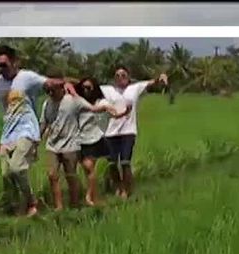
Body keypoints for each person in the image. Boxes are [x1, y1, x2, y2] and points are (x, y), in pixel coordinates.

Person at [0, 45, 80, 217]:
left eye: (4, 65)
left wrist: (66, 82)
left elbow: (48, 82)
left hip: (27, 130)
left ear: (14, 62)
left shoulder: (27, 77)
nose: (1, 69)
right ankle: (15, 209)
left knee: (17, 168)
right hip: (7, 135)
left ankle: (32, 202)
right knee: (6, 175)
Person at [40, 80, 126, 210]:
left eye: (53, 90)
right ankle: (59, 207)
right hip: (52, 145)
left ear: (61, 88)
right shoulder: (47, 104)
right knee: (52, 175)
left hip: (70, 144)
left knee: (71, 176)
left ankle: (75, 204)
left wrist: (110, 109)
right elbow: (43, 123)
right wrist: (37, 139)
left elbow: (94, 109)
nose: (50, 93)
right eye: (48, 91)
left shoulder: (74, 101)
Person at [100, 66, 168, 199]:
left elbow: (151, 83)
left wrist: (160, 78)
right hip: (110, 132)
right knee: (112, 163)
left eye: (123, 75)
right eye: (117, 75)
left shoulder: (134, 88)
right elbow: (86, 85)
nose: (120, 78)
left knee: (125, 162)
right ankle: (118, 186)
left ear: (128, 77)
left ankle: (126, 190)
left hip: (128, 131)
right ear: (114, 78)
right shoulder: (107, 90)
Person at [76, 76, 131, 206]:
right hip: (81, 140)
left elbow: (114, 113)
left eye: (88, 88)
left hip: (95, 139)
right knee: (88, 170)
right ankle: (94, 197)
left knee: (91, 168)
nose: (86, 90)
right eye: (83, 88)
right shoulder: (79, 102)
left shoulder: (101, 103)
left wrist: (124, 112)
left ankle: (90, 196)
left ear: (94, 88)